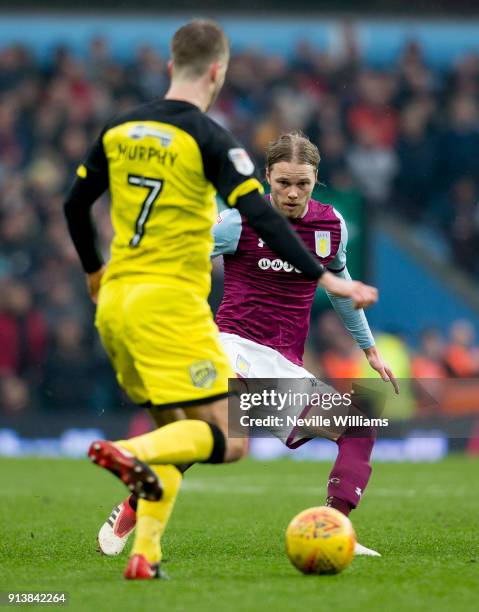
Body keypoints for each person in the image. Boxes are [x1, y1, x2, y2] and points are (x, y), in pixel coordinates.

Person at [97, 131, 393, 561]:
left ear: (316, 180)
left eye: (303, 185)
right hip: (230, 346)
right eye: (283, 184)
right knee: (218, 431)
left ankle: (335, 527)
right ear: (267, 176)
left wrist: (369, 349)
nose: (292, 194)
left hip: (282, 363)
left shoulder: (332, 226)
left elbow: (342, 292)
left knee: (360, 428)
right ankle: (130, 507)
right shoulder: (237, 219)